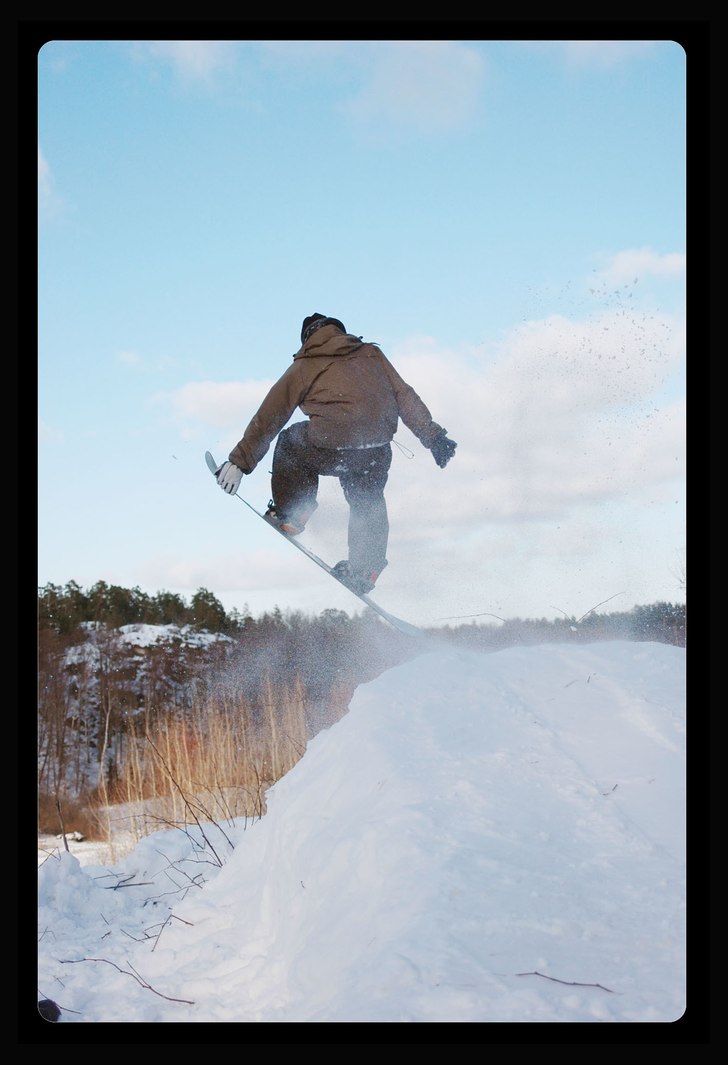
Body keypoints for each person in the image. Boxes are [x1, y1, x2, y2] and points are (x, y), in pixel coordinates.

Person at [215, 313, 457, 595]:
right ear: (340, 332)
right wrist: (434, 437)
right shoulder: (371, 354)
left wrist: (239, 462)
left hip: (330, 445)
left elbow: (271, 414)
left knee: (291, 442)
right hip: (375, 449)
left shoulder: (306, 364)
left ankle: (293, 513)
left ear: (307, 338)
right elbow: (404, 394)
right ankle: (365, 569)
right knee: (367, 497)